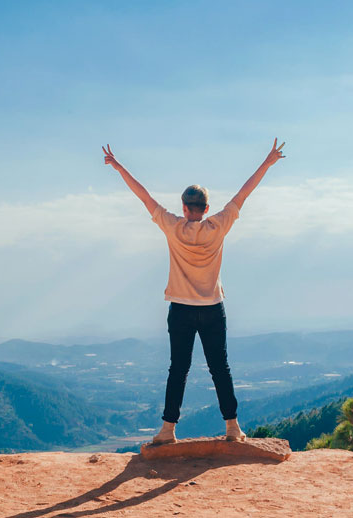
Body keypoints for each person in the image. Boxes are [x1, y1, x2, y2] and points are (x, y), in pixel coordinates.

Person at [102, 138, 286, 444]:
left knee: (178, 369)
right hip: (213, 307)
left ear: (184, 208)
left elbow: (144, 197)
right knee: (220, 369)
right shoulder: (219, 225)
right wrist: (267, 162)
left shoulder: (173, 226)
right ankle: (232, 428)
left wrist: (119, 167)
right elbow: (244, 193)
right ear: (207, 208)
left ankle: (167, 430)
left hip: (181, 309)